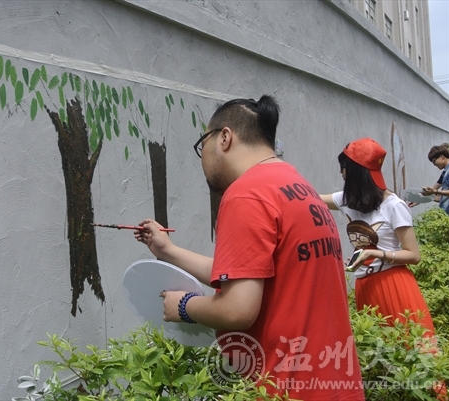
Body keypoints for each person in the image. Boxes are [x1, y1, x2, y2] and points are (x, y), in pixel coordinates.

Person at [135, 96, 364, 400]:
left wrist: (184, 305)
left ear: (224, 138)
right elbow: (249, 273)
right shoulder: (297, 185)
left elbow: (237, 310)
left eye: (203, 143)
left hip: (286, 387)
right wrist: (168, 251)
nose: (202, 157)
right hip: (334, 382)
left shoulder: (245, 195)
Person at [320, 138, 436, 334]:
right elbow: (308, 199)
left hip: (393, 285)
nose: (341, 173)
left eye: (343, 168)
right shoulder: (345, 200)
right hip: (364, 285)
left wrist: (374, 254)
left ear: (354, 172)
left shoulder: (394, 205)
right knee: (376, 347)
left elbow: (413, 255)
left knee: (406, 345)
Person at [420, 144, 449, 214]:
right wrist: (418, 199)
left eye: (434, 161)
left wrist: (436, 191)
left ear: (442, 157)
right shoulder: (447, 171)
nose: (434, 164)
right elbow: (443, 195)